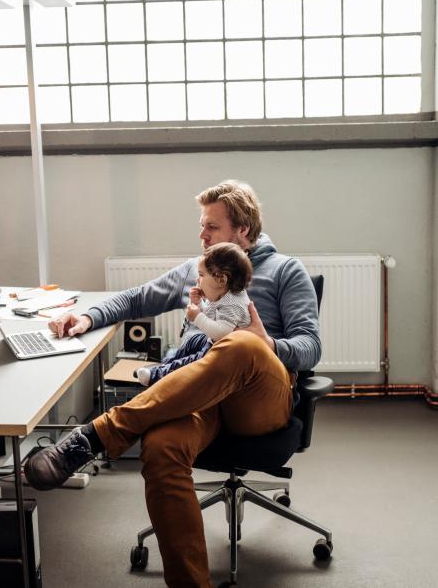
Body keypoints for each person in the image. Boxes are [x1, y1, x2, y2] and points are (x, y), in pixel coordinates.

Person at [23, 180, 321, 588]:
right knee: (161, 449)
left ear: (244, 232)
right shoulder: (197, 269)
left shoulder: (287, 270)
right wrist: (88, 318)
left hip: (258, 396)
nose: (202, 236)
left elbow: (310, 346)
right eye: (202, 227)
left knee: (239, 346)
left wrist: (267, 343)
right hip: (197, 390)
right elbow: (136, 298)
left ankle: (96, 436)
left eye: (211, 228)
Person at [135, 240, 253, 387]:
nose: (197, 280)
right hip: (215, 343)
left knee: (192, 361)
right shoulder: (225, 295)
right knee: (192, 341)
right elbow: (212, 318)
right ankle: (164, 365)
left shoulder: (233, 303)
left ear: (221, 279)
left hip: (225, 354)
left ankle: (156, 376)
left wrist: (197, 316)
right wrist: (199, 304)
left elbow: (222, 332)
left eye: (202, 275)